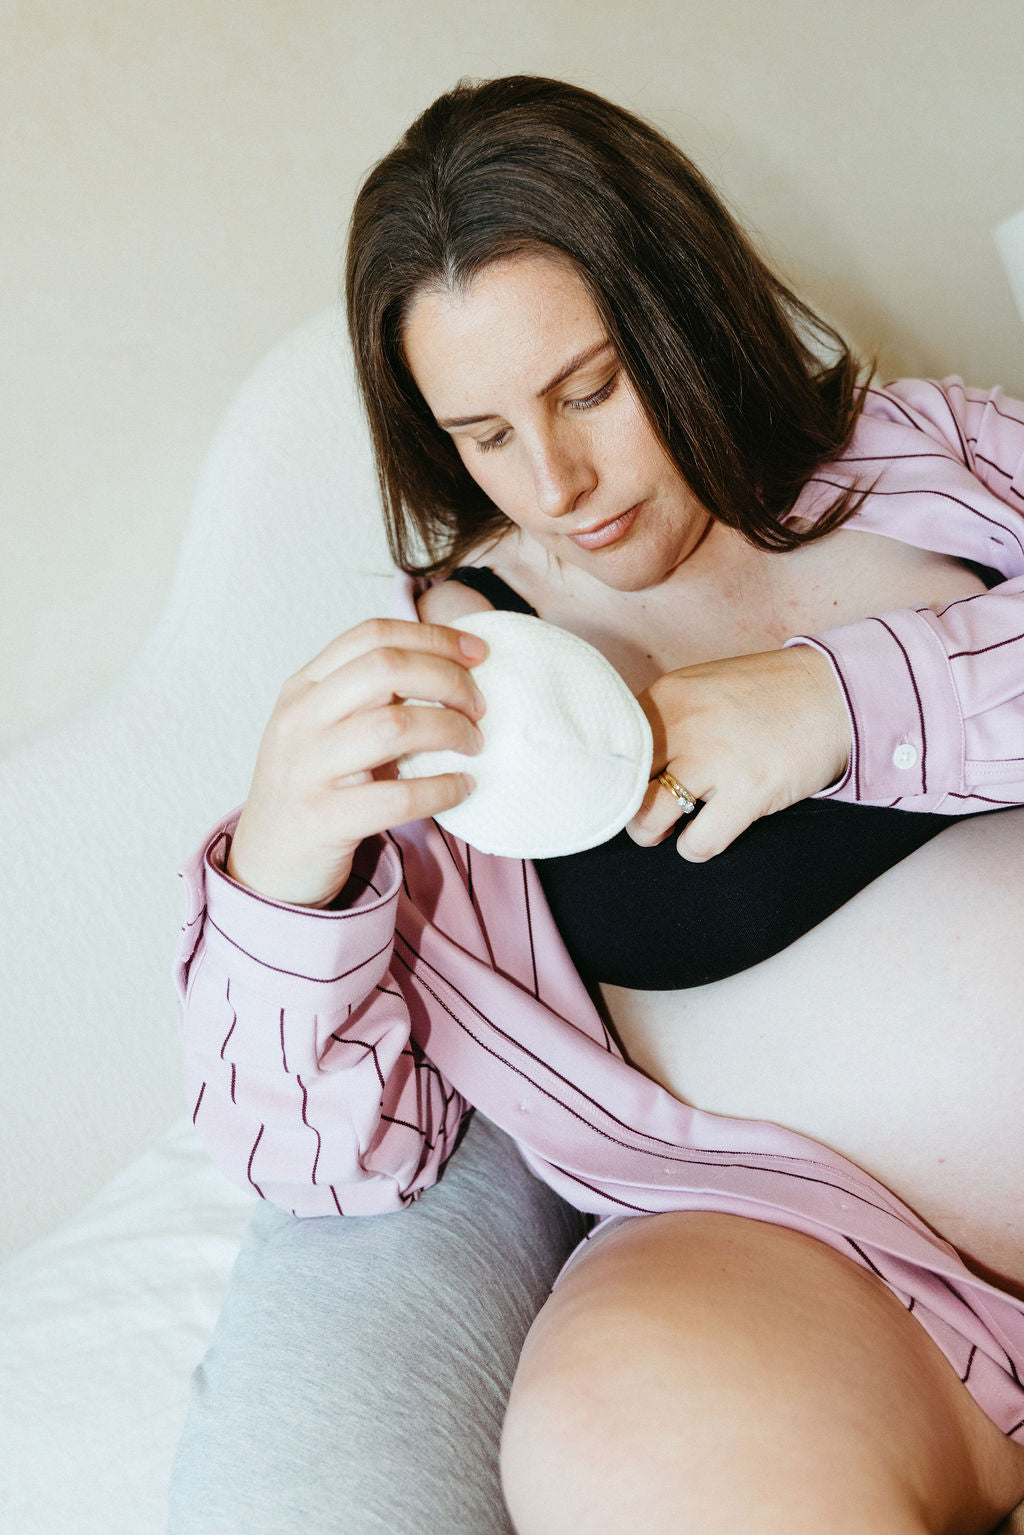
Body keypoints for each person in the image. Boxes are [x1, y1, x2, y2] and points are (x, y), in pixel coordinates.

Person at [169, 76, 1024, 1534]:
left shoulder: (930, 465)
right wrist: (287, 873)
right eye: (487, 434)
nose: (558, 483)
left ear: (685, 308)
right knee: (625, 1422)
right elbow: (327, 1162)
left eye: (587, 389)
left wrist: (837, 704)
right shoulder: (458, 701)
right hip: (850, 1281)